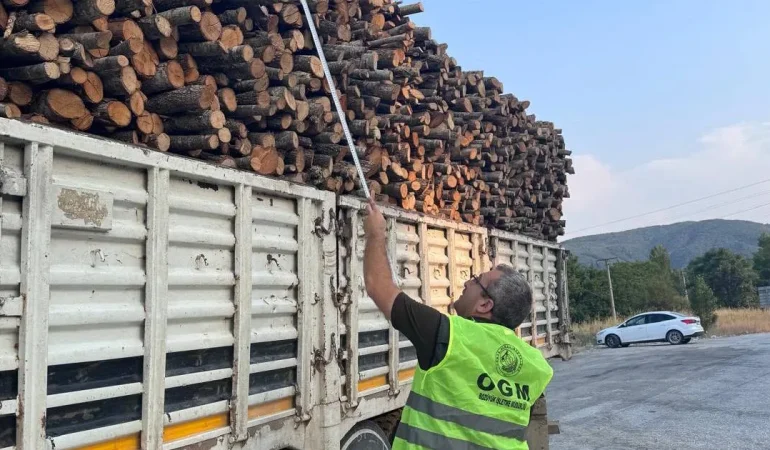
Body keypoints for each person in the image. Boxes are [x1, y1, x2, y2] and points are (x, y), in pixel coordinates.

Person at [363, 198, 554, 450]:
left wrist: (376, 233)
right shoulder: (535, 365)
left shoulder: (449, 336)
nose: (467, 282)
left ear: (485, 305)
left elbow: (378, 286)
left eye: (476, 280)